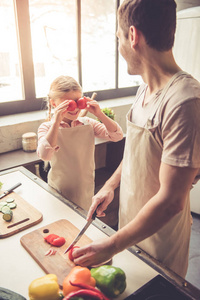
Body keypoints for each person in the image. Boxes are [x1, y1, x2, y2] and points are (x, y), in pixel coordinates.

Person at [72, 0, 200, 278]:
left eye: (118, 38)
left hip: (160, 237)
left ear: (132, 36)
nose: (119, 48)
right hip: (131, 227)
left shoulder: (185, 100)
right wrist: (109, 186)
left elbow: (171, 200)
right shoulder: (144, 89)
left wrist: (112, 244)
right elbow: (135, 152)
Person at [37, 75, 123, 211]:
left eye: (77, 101)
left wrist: (99, 114)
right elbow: (45, 156)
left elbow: (117, 136)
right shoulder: (46, 128)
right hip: (58, 188)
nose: (74, 107)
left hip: (85, 188)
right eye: (67, 102)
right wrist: (56, 122)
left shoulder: (88, 124)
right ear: (54, 104)